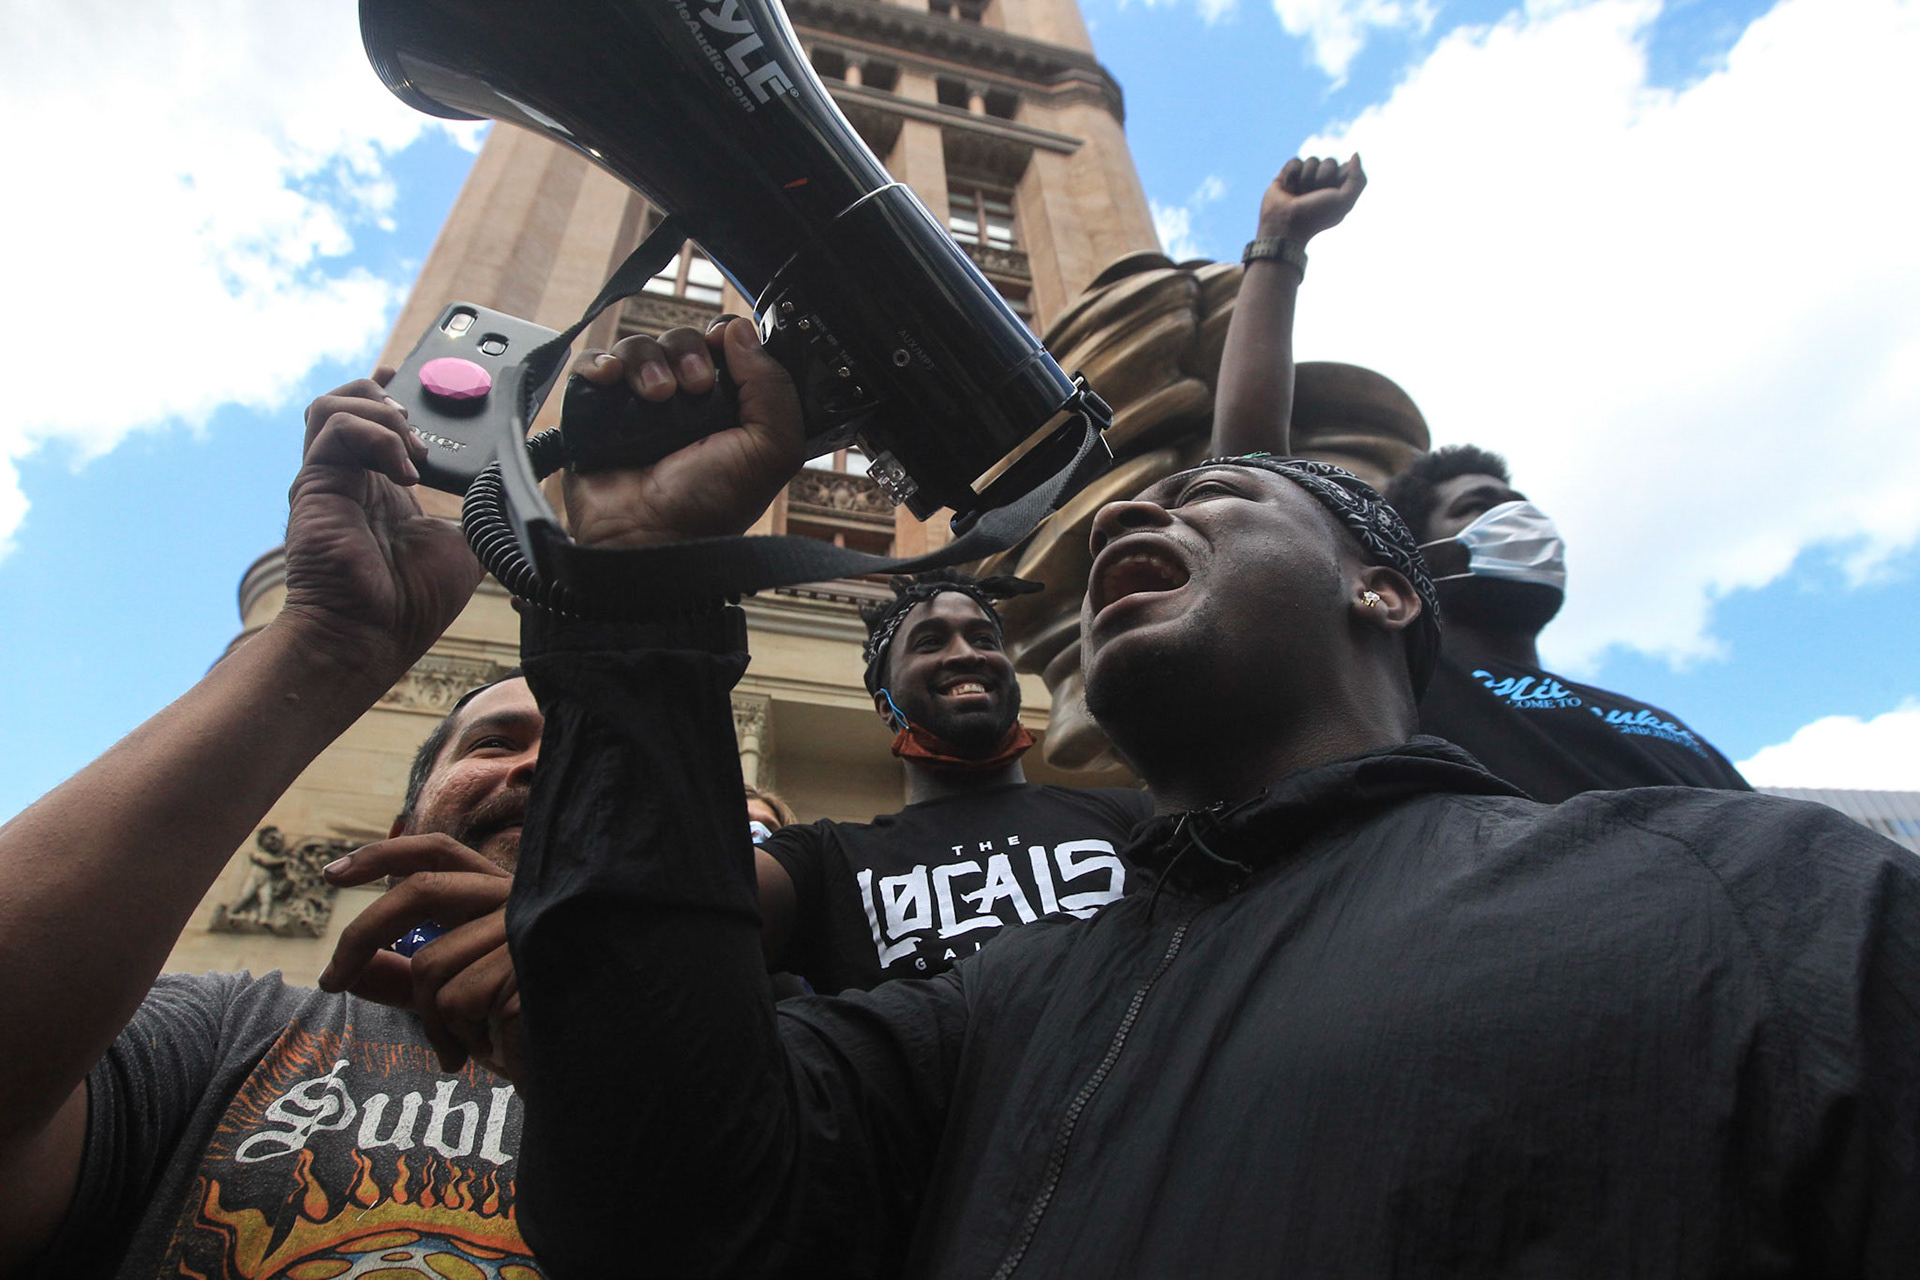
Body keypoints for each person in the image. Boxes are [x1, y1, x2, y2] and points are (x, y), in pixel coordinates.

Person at [498, 311, 1919, 1273]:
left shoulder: (1761, 895)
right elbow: (660, 1205)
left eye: (1212, 502)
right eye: (1132, 507)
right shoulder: (986, 1022)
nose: (1126, 510)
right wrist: (632, 600)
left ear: (1382, 588)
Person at [0, 373, 556, 1279]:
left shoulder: (760, 1060)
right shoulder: (230, 1037)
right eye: (496, 742)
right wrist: (330, 642)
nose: (535, 766)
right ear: (397, 830)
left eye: (581, 754)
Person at [754, 569, 1151, 993]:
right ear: (885, 707)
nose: (967, 654)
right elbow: (704, 909)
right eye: (930, 642)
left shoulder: (1134, 819)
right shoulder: (828, 861)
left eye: (984, 640)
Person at [1383, 444, 1751, 799]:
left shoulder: (1660, 720)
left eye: (1523, 508)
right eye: (1478, 506)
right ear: (1417, 560)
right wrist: (1377, 598)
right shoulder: (1408, 686)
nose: (1521, 524)